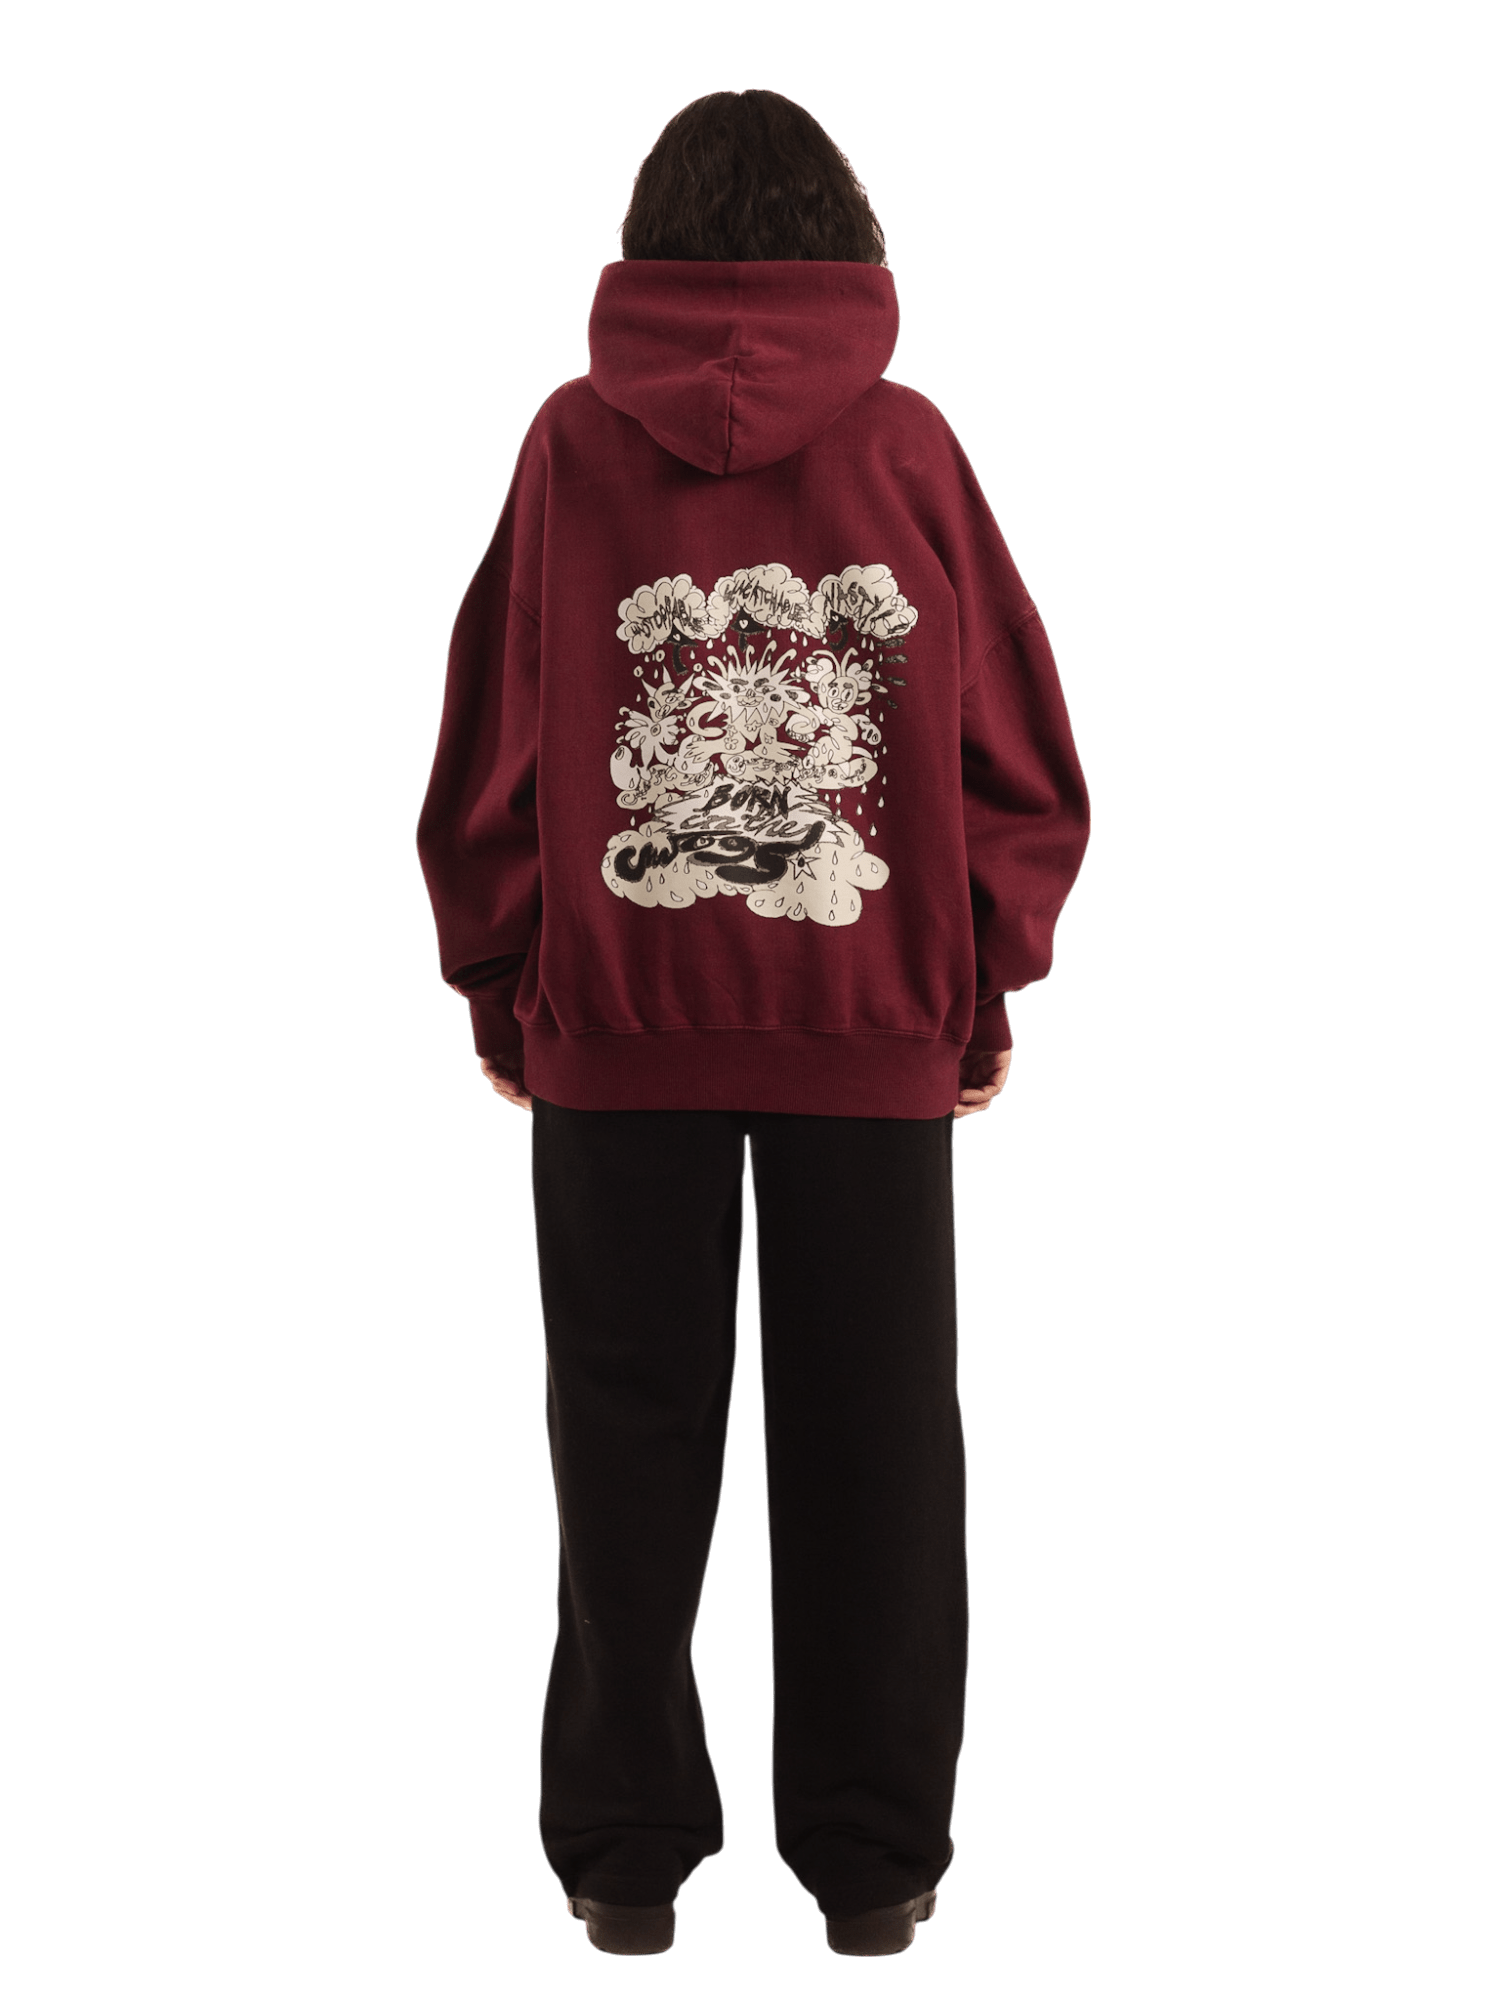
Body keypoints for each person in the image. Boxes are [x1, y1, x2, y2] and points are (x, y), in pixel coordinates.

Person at [414, 88, 1091, 1960]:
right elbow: (1012, 729)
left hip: (615, 1029)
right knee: (883, 1450)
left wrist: (499, 969)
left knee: (618, 1450)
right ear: (845, 233)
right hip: (866, 1023)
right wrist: (984, 973)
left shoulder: (569, 446)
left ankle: (623, 1864)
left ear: (647, 239)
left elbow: (494, 719)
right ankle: (877, 1871)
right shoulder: (908, 442)